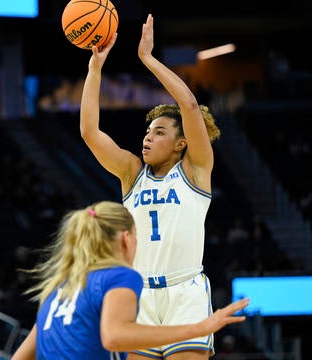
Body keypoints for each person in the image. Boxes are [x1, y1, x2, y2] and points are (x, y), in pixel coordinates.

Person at [79, 14, 222, 359]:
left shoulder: (196, 170)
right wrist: (95, 69)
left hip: (184, 292)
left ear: (181, 143)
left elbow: (188, 105)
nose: (148, 137)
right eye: (147, 130)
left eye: (160, 132)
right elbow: (89, 133)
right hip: (139, 293)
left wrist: (148, 59)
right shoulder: (131, 172)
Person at [11, 201, 249, 360]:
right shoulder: (119, 276)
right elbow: (115, 337)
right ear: (126, 239)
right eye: (137, 237)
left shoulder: (59, 287)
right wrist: (199, 328)